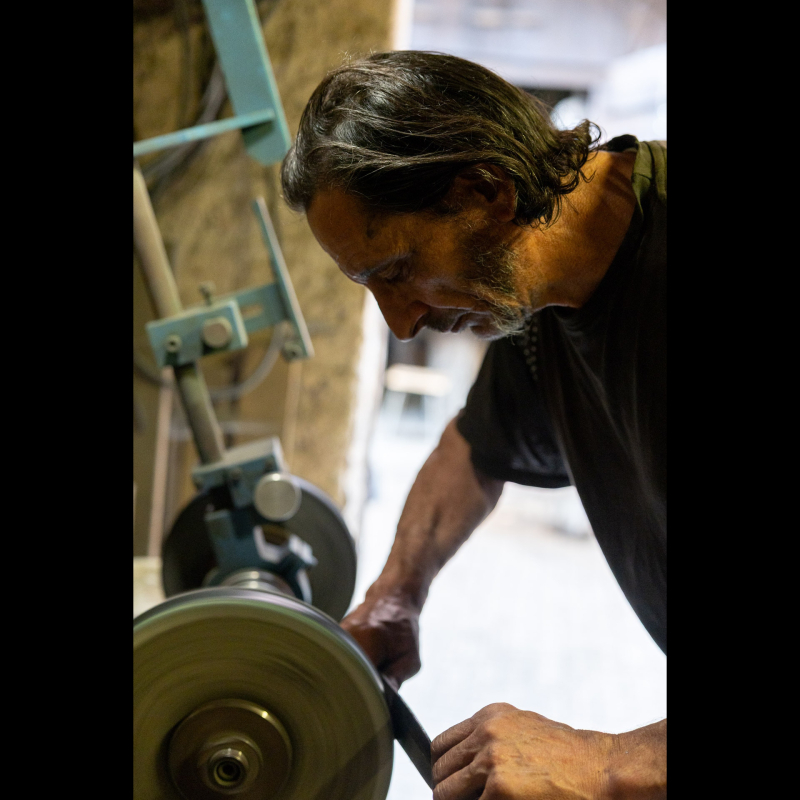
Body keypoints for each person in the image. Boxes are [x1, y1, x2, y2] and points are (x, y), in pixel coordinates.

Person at [281, 50, 666, 800]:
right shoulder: (545, 292)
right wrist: (396, 594)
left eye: (397, 271)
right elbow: (476, 446)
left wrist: (608, 764)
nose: (400, 324)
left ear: (486, 190)